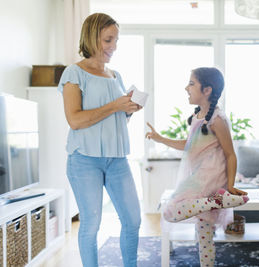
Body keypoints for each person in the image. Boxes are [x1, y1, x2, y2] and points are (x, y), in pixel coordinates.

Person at [58, 13, 142, 267]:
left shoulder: (115, 76)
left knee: (133, 220)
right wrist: (115, 105)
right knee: (91, 224)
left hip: (117, 159)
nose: (113, 47)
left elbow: (115, 119)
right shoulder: (74, 73)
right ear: (92, 38)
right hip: (84, 160)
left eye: (116, 40)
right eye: (108, 40)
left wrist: (126, 111)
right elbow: (75, 120)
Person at [145, 67, 249, 266]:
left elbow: (230, 154)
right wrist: (160, 138)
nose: (187, 88)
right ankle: (207, 262)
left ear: (207, 90)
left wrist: (231, 185)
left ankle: (216, 200)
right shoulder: (197, 117)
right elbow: (188, 145)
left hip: (208, 181)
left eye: (191, 83)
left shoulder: (217, 119)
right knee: (204, 236)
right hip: (199, 181)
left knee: (169, 212)